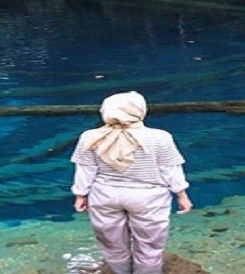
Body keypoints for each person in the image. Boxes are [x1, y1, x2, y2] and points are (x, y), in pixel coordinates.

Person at [70, 91, 193, 274]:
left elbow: (85, 170)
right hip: (149, 198)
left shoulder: (90, 136)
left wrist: (80, 195)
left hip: (104, 195)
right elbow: (171, 170)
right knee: (150, 245)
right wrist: (182, 195)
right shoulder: (160, 137)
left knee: (111, 242)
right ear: (141, 111)